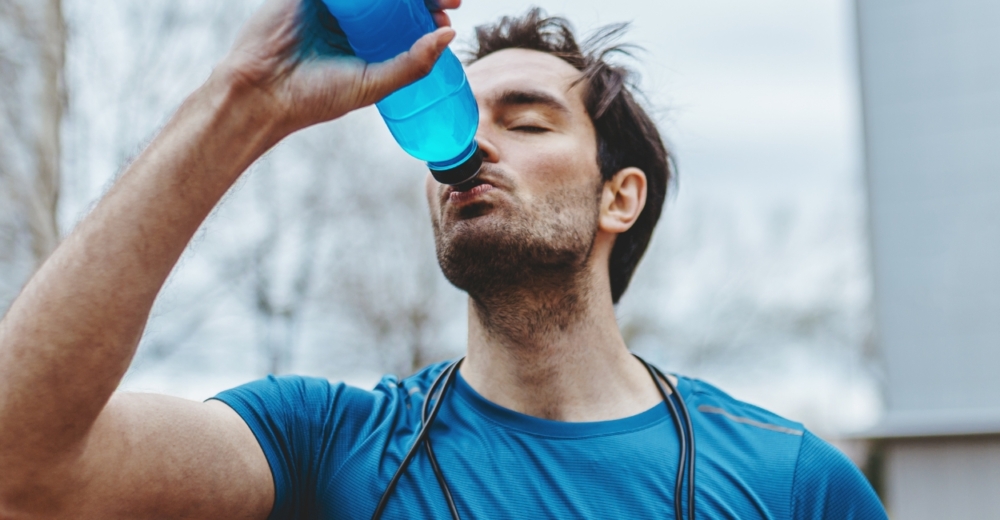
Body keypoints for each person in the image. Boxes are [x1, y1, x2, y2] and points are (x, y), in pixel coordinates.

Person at [0, 0, 887, 518]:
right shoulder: (324, 445)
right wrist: (244, 99)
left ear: (621, 196)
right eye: (470, 111)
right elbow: (23, 466)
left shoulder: (791, 481)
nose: (472, 148)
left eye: (529, 121)